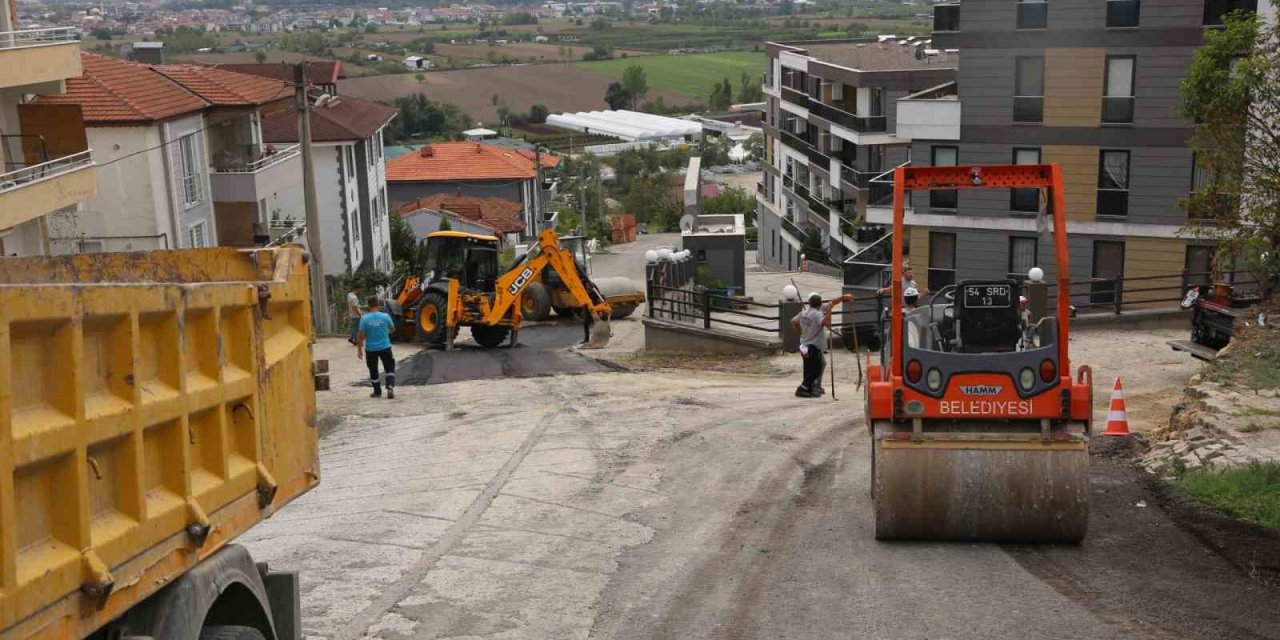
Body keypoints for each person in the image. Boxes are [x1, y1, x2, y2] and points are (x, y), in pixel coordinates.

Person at [791, 292, 853, 398]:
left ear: (810, 303)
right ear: (819, 304)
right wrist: (829, 312)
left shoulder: (804, 312)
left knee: (810, 367)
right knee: (816, 368)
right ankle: (805, 387)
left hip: (804, 344)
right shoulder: (818, 314)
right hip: (813, 346)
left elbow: (793, 321)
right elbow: (827, 323)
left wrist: (800, 332)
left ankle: (811, 386)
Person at [357, 296, 397, 399]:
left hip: (371, 350)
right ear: (378, 304)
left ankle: (377, 391)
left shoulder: (364, 319)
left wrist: (359, 350)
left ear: (368, 306)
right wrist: (385, 333)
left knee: (373, 370)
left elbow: (361, 336)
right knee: (389, 368)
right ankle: (390, 387)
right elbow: (393, 329)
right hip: (385, 347)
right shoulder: (386, 316)